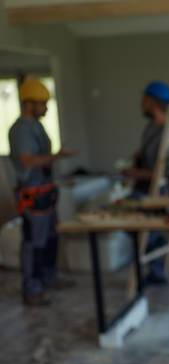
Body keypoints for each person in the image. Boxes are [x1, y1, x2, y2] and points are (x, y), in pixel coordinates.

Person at [9, 77, 77, 307]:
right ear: (29, 104)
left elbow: (43, 160)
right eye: (42, 103)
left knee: (50, 239)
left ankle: (49, 278)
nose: (46, 107)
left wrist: (58, 178)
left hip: (45, 190)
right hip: (32, 195)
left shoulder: (37, 126)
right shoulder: (20, 130)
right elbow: (28, 161)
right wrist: (58, 156)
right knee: (33, 243)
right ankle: (32, 288)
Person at [122, 80, 169, 284]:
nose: (141, 104)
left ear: (154, 102)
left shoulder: (166, 133)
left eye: (144, 99)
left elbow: (162, 174)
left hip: (157, 190)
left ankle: (155, 267)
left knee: (138, 225)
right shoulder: (150, 128)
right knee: (140, 227)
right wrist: (137, 158)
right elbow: (147, 158)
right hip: (143, 186)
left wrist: (133, 173)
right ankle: (156, 269)